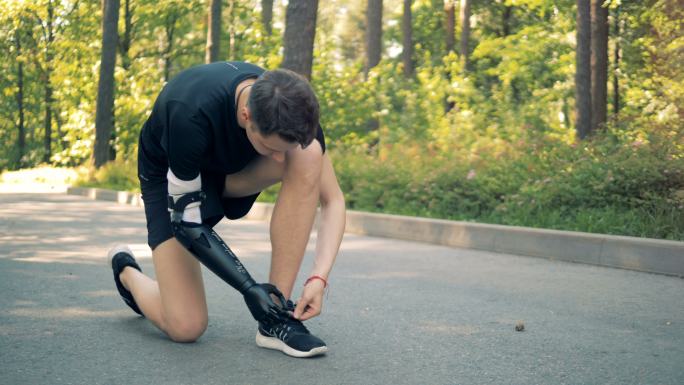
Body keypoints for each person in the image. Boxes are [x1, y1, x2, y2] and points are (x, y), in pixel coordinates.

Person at [107, 61, 346, 358]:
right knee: (186, 326)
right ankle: (127, 272)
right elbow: (188, 224)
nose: (278, 158)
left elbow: (333, 200)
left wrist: (318, 278)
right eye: (270, 148)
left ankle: (275, 317)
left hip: (230, 174)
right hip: (172, 177)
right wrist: (248, 287)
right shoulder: (188, 112)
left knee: (307, 155)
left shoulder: (293, 109)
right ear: (246, 116)